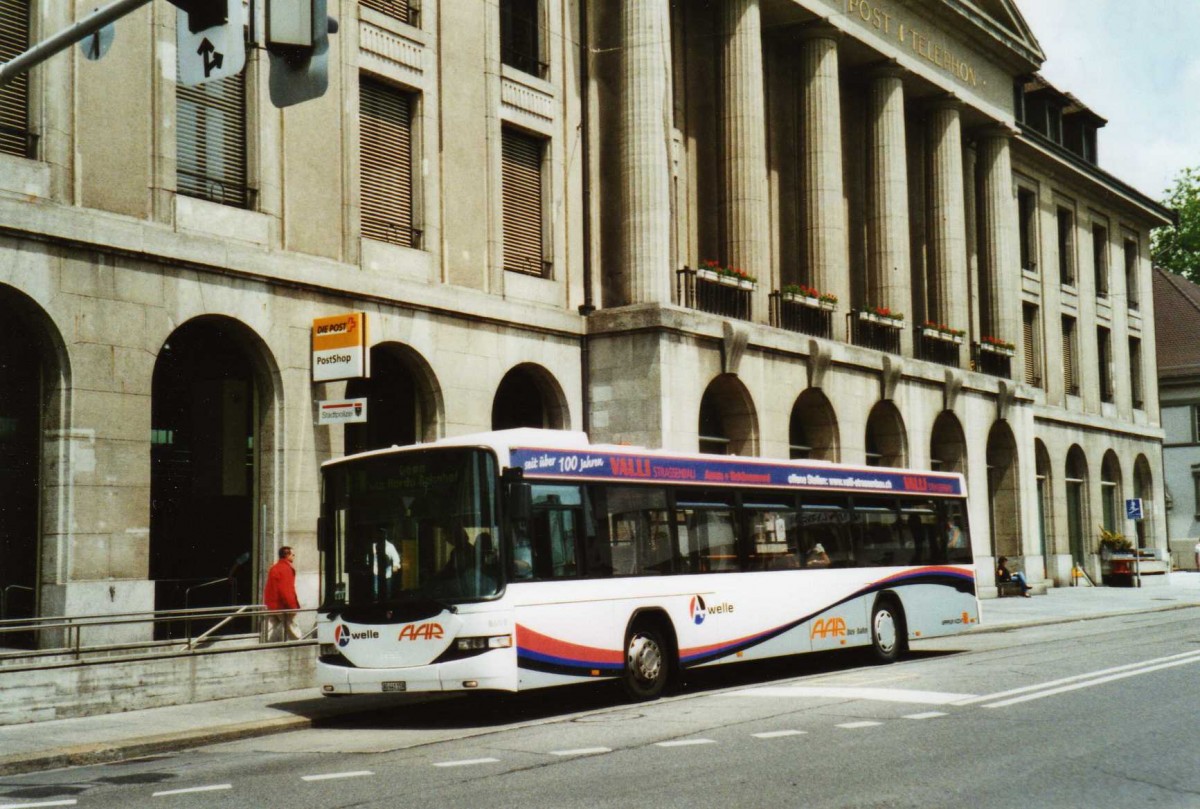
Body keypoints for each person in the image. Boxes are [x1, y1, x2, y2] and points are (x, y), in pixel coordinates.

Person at [264, 546, 301, 640]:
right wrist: (293, 607)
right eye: (292, 554)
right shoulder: (286, 569)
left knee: (272, 628)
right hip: (282, 605)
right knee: (292, 628)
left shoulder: (274, 567)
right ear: (286, 555)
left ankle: (268, 646)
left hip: (272, 604)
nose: (294, 556)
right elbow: (286, 589)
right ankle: (300, 645)